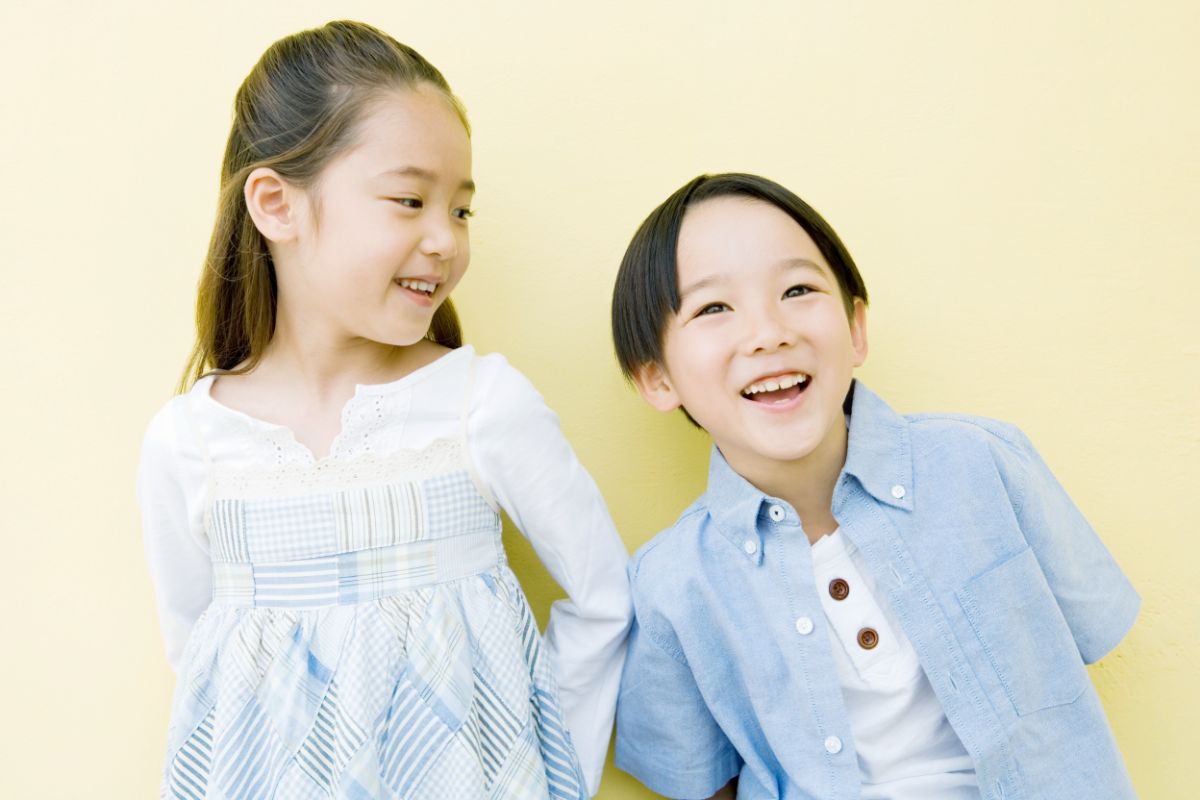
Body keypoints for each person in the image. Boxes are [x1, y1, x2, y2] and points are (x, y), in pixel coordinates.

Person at [137, 21, 630, 799]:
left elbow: (604, 599)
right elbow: (202, 670)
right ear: (277, 205)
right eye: (410, 200)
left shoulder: (480, 406)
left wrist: (547, 772)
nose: (446, 241)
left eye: (461, 211)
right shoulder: (191, 442)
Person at [609, 172, 1138, 799]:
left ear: (856, 328)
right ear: (657, 378)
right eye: (713, 308)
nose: (769, 333)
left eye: (797, 289)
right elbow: (696, 780)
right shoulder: (672, 584)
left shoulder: (981, 463)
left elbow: (1090, 635)